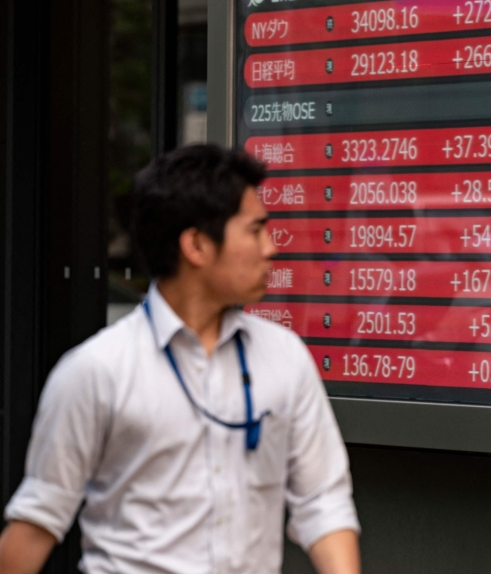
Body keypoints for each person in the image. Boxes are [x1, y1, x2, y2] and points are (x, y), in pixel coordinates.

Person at [0, 145, 360, 574]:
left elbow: (323, 504)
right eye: (255, 230)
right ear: (197, 245)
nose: (271, 248)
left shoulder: (285, 357)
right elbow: (37, 522)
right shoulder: (97, 370)